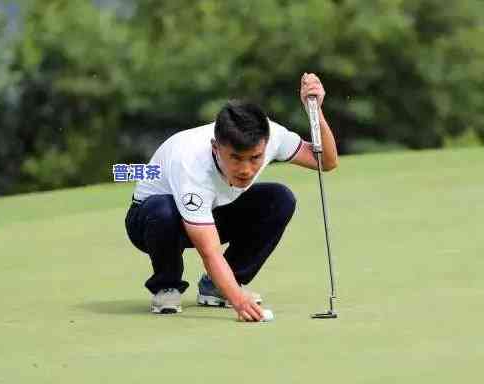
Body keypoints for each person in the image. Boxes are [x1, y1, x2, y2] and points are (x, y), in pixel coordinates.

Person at [124, 73, 338, 322]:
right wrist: (239, 300)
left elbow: (327, 161)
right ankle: (166, 285)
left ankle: (218, 287)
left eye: (255, 158)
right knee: (163, 210)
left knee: (279, 199)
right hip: (151, 221)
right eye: (235, 158)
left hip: (214, 207)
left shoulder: (272, 136)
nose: (246, 169)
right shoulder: (191, 164)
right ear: (216, 147)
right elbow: (210, 251)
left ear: (266, 145)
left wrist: (316, 111)